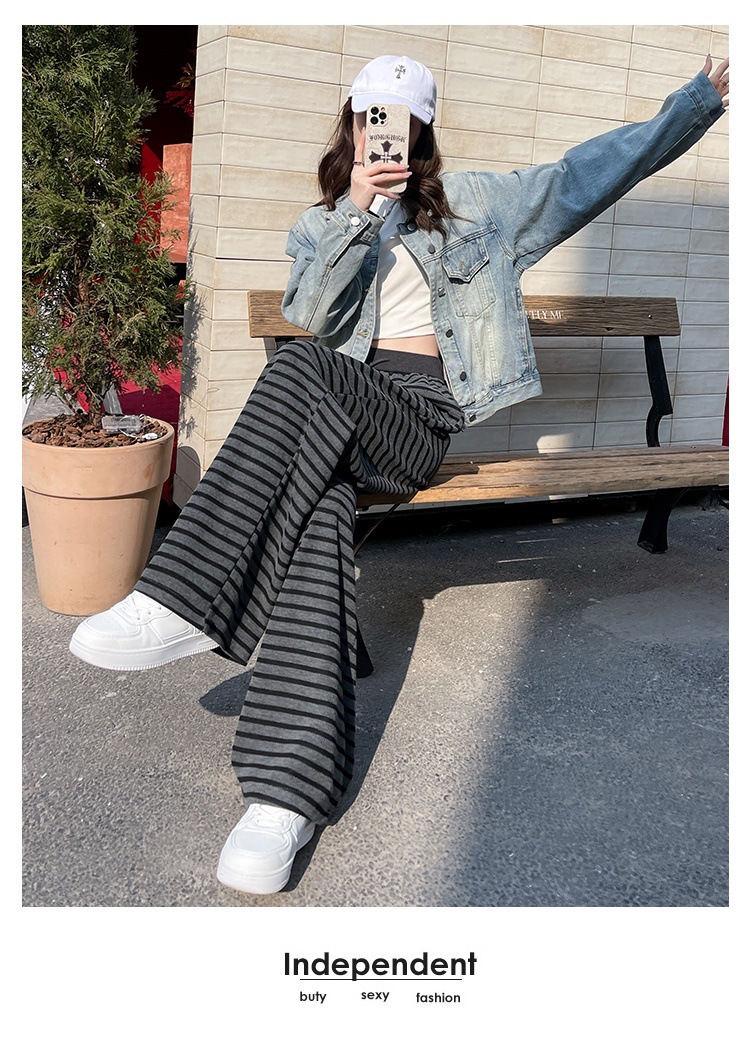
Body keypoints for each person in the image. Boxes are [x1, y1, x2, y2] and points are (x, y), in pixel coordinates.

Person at [68, 52, 729, 896]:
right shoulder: (320, 224)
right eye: (368, 117)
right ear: (351, 124)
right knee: (318, 510)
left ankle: (185, 597)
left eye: (401, 122)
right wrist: (356, 212)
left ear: (420, 134)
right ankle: (284, 797)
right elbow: (310, 315)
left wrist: (691, 106)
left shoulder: (483, 206)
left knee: (299, 370)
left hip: (413, 422)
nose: (381, 134)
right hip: (335, 422)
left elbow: (587, 174)